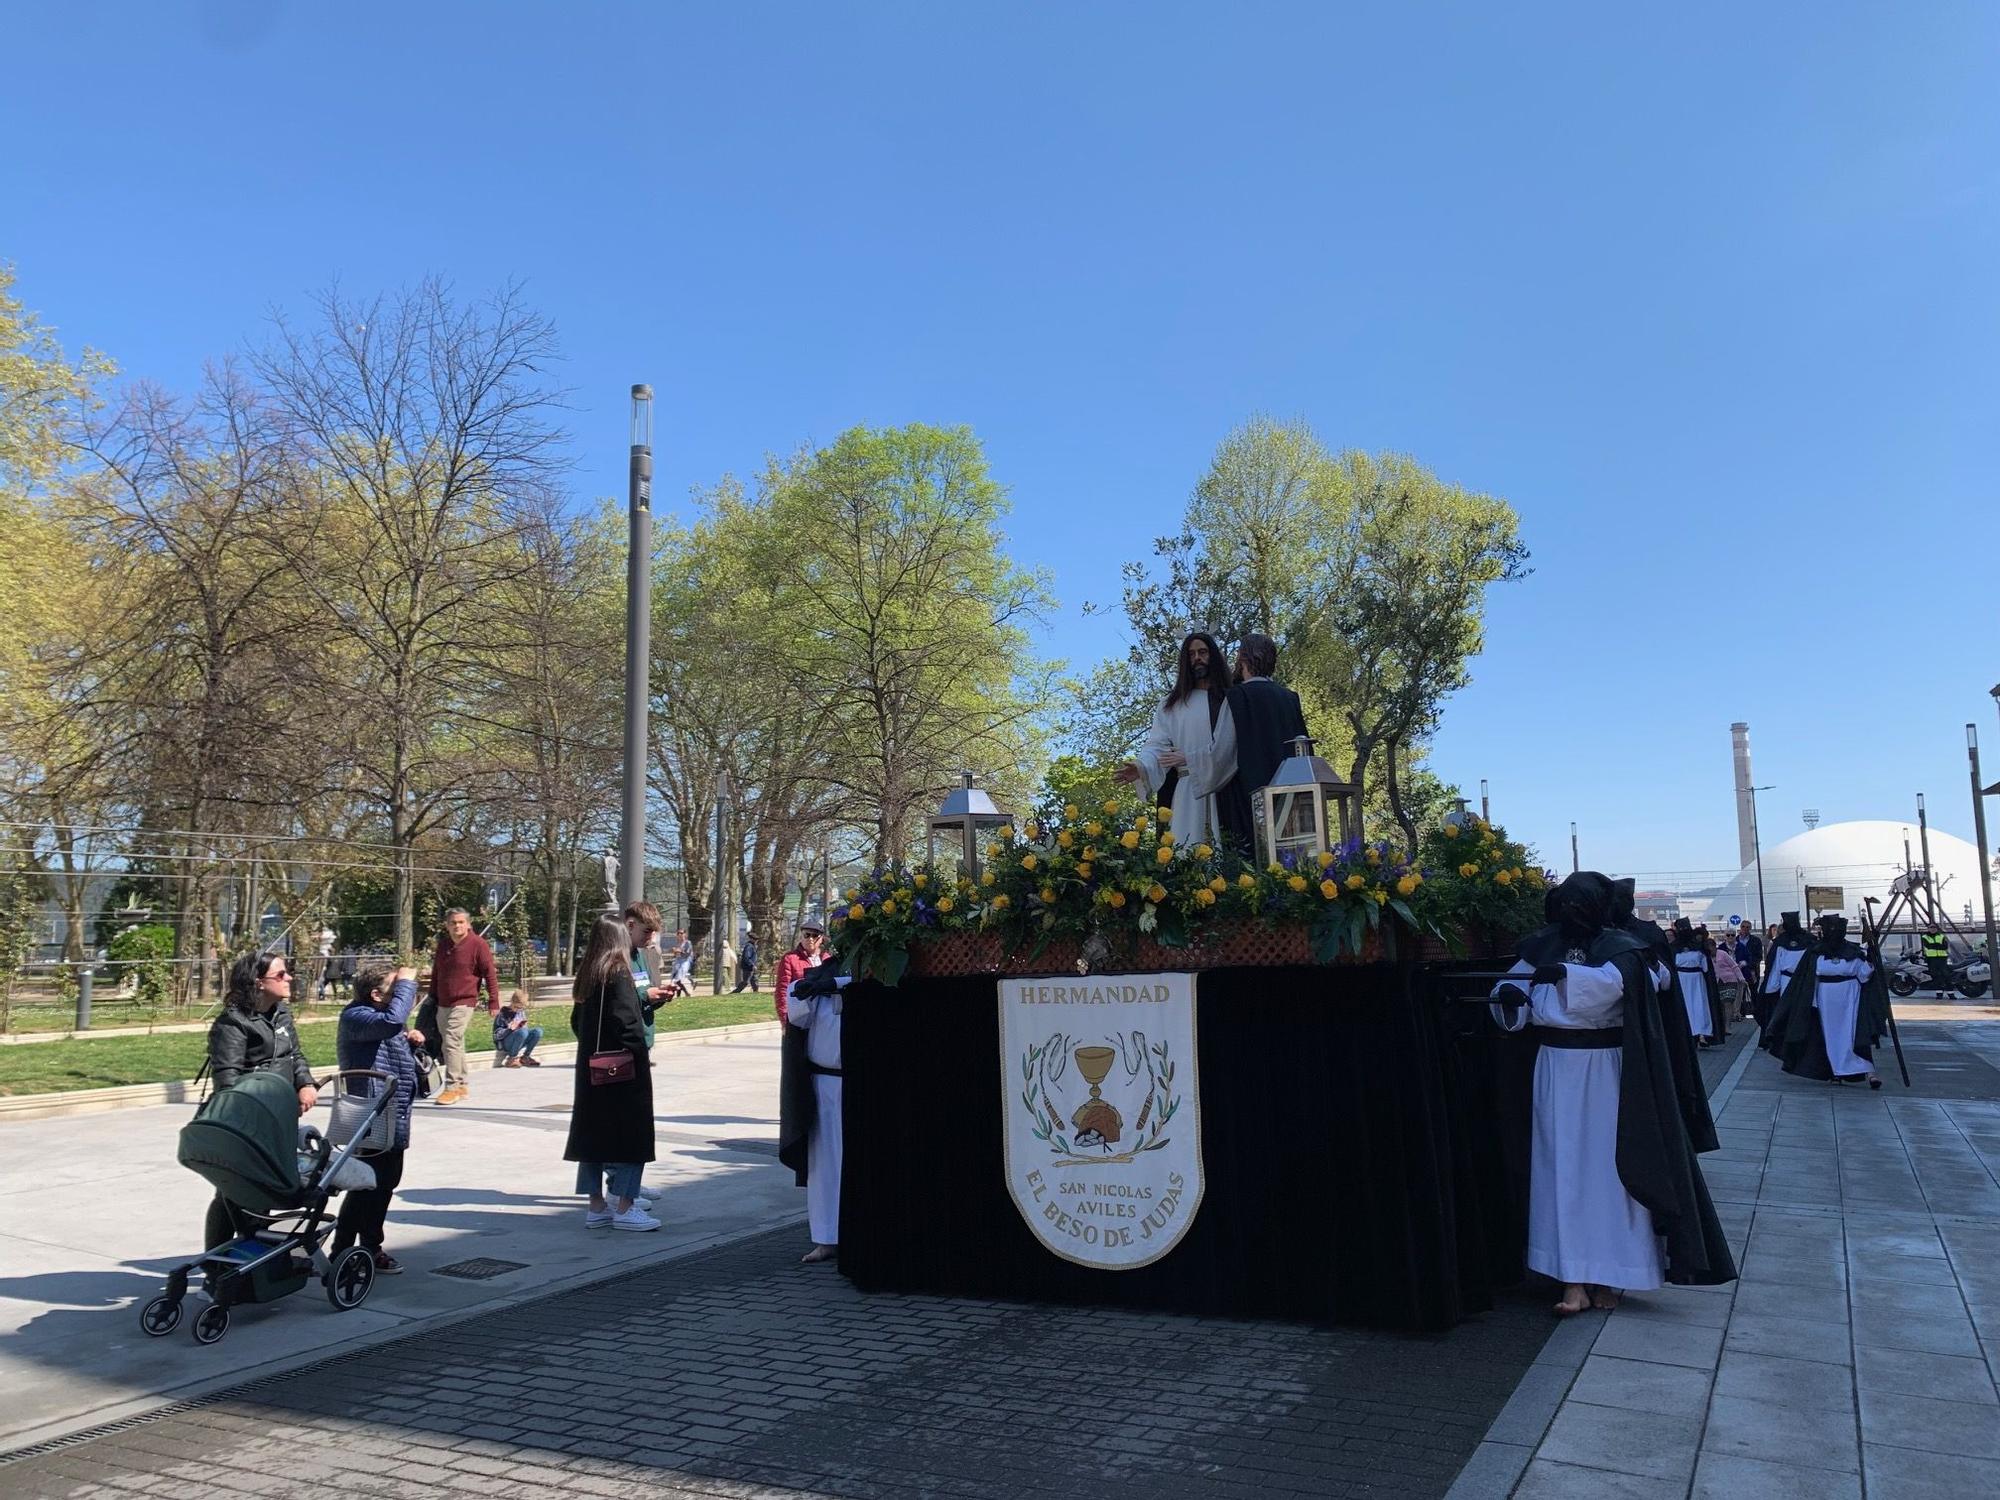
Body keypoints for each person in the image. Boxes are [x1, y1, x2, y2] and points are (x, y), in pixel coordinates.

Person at [1489, 872, 1735, 1316]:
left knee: (1610, 1171)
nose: (1572, 913)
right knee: (1559, 1168)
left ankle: (1612, 1277)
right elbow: (1511, 989)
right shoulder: (1540, 945)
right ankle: (1573, 1281)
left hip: (1607, 1072)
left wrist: (1563, 975)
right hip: (1555, 1068)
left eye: (1581, 904)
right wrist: (1509, 994)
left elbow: (1621, 986)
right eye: (1567, 903)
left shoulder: (1624, 949)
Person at [202, 952, 319, 1245]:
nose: (289, 978)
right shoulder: (233, 1023)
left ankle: (253, 1260)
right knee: (232, 1194)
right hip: (247, 1123)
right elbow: (227, 1081)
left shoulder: (281, 1012)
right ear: (258, 982)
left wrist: (305, 1082)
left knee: (266, 1190)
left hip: (279, 1118)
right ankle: (216, 1272)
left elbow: (294, 1055)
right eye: (280, 975)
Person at [565, 914, 660, 1231]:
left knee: (592, 1137)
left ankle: (596, 1205)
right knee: (633, 1136)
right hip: (622, 1070)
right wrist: (638, 1055)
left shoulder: (588, 974)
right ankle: (625, 1206)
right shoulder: (619, 973)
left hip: (591, 1069)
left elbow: (577, 1023)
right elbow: (627, 1024)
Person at [334, 963, 423, 1273]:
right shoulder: (355, 1016)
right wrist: (407, 984)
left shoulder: (386, 1020)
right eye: (394, 988)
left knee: (385, 1184)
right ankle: (341, 1252)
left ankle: (371, 1247)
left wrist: (410, 1041)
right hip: (370, 1115)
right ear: (375, 994)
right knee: (364, 1186)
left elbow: (392, 1027)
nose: (404, 992)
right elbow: (390, 1021)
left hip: (393, 1113)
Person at [1115, 631, 1233, 847]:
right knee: (1185, 848)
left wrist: (1193, 758)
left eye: (1203, 652)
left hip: (1226, 788)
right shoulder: (1171, 705)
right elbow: (1157, 746)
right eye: (1191, 654)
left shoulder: (1230, 699)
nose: (1197, 658)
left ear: (1213, 656)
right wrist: (1142, 767)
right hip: (1187, 791)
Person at [1212, 632, 1311, 857]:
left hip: (1250, 797)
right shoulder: (1289, 698)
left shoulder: (1238, 697)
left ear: (1244, 658)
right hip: (1292, 799)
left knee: (1255, 864)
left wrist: (1189, 762)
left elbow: (1221, 753)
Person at [1768, 915, 1888, 1087]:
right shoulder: (1815, 952)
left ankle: (1869, 1073)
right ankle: (1833, 1071)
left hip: (1850, 999)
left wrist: (1871, 958)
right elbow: (1808, 979)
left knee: (1853, 1034)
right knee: (1826, 1036)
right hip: (1825, 999)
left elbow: (1863, 974)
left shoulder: (1854, 952)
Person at [781, 955, 848, 1264]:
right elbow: (796, 1011)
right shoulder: (817, 981)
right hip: (824, 1085)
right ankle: (826, 1238)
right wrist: (817, 986)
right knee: (824, 1166)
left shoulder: (862, 979)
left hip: (856, 1086)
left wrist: (838, 985)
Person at [428, 908, 501, 1105]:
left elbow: (490, 974)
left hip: (465, 1000)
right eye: (453, 922)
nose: (457, 926)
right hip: (443, 1001)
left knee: (451, 1039)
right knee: (452, 1043)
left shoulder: (478, 944)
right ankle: (462, 1084)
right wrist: (432, 996)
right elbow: (437, 973)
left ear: (468, 924)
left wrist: (494, 1001)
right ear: (447, 925)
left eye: (461, 922)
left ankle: (451, 1087)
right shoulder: (444, 945)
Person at [1755, 912, 1813, 1038]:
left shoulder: (1809, 939)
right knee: (1787, 1007)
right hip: (1787, 979)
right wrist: (1771, 987)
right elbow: (1775, 966)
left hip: (1802, 979)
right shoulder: (1781, 942)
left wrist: (1771, 987)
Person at [1671, 918, 1722, 1048]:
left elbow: (1706, 967)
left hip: (1697, 981)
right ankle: (1688, 1034)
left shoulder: (1699, 947)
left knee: (1700, 1007)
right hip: (1682, 980)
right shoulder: (1673, 947)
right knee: (1686, 1008)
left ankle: (1702, 1034)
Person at [773, 920, 824, 1026]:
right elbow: (782, 991)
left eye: (815, 936)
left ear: (821, 939)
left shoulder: (828, 959)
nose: (810, 939)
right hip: (799, 1017)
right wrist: (784, 1020)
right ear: (801, 937)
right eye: (807, 935)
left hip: (823, 1017)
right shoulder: (790, 959)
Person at [492, 990, 543, 1067]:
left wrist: (523, 1026)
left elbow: (524, 1030)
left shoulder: (520, 1012)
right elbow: (496, 1035)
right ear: (511, 1001)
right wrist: (509, 1029)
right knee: (523, 1032)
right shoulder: (502, 1014)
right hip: (506, 1042)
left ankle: (526, 1057)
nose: (517, 1010)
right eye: (516, 1007)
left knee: (538, 1031)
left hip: (519, 1038)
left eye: (520, 1008)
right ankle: (512, 1058)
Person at [1713, 940, 1746, 1025]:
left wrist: (1741, 978)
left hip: (1729, 979)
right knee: (1721, 1004)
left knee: (1728, 1002)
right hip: (1715, 982)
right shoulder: (1705, 956)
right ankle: (1723, 1023)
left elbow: (1734, 966)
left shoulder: (1722, 953)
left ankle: (1728, 1025)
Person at [1734, 919, 1763, 995]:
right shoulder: (1734, 940)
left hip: (1752, 971)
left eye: (1747, 927)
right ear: (1740, 927)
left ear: (1750, 928)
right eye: (1743, 926)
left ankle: (1755, 1006)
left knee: (1753, 992)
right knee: (1740, 993)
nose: (1745, 929)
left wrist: (1747, 963)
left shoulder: (1756, 940)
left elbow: (1759, 956)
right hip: (1738, 971)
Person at [1921, 927, 1951, 994]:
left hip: (1942, 958)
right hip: (1931, 958)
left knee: (1946, 975)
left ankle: (1950, 993)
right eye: (1931, 927)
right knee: (1935, 976)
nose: (1933, 929)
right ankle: (1939, 993)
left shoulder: (1941, 936)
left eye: (1934, 927)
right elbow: (1928, 946)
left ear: (1936, 929)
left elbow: (1945, 946)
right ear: (1928, 929)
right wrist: (1939, 945)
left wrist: (1934, 946)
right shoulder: (1925, 937)